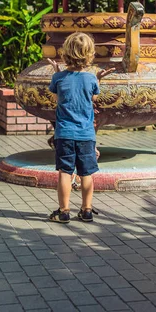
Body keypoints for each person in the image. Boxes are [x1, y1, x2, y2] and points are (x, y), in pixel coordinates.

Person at [47, 32, 115, 223]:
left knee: (65, 172)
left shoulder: (59, 78)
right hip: (86, 134)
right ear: (89, 54)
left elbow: (55, 98)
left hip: (64, 133)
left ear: (65, 53)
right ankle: (86, 210)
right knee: (86, 173)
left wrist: (55, 74)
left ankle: (64, 211)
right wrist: (98, 80)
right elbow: (93, 98)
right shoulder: (91, 79)